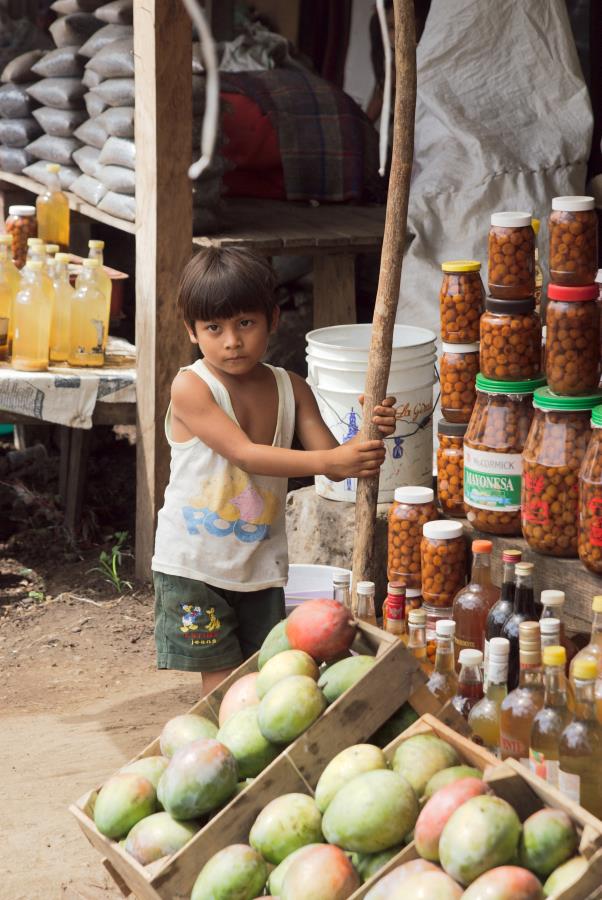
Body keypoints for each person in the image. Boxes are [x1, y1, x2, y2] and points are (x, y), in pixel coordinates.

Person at [152, 247, 397, 695]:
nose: (232, 341)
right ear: (192, 331)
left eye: (245, 323)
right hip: (195, 564)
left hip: (260, 568)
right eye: (214, 328)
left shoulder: (292, 388)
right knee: (225, 687)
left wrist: (370, 431)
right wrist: (330, 461)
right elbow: (247, 454)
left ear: (273, 320)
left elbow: (338, 462)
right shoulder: (190, 387)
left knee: (263, 676)